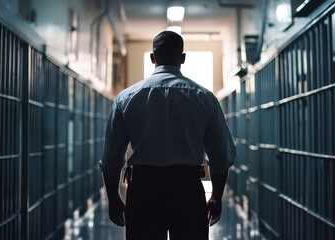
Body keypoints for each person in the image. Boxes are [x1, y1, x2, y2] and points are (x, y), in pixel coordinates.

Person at [100, 31, 236, 240]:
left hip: (144, 189)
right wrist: (216, 197)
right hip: (187, 189)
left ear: (152, 58)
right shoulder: (204, 97)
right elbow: (221, 157)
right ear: (182, 58)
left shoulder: (127, 98)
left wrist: (114, 197)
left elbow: (111, 159)